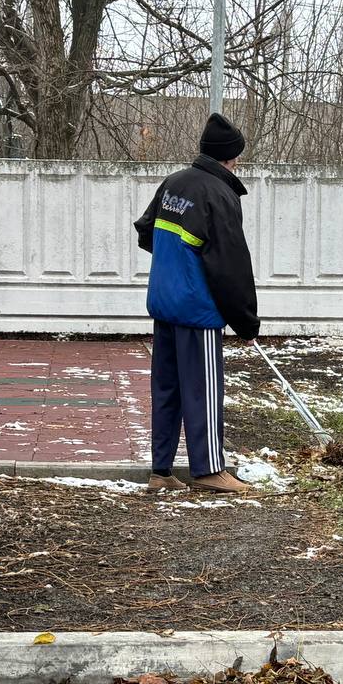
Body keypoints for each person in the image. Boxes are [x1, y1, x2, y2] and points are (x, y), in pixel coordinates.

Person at [135, 113, 260, 494]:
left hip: (164, 302)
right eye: (236, 156)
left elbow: (146, 231)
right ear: (228, 157)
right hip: (197, 309)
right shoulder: (218, 194)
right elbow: (230, 264)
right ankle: (209, 469)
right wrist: (246, 321)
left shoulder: (173, 183)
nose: (237, 162)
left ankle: (161, 471)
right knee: (204, 390)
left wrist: (175, 267)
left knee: (167, 389)